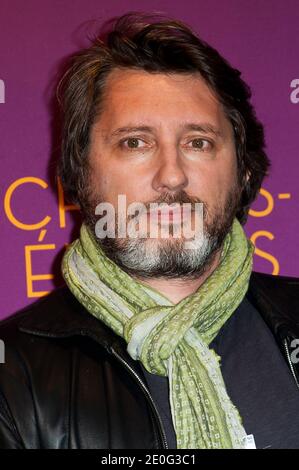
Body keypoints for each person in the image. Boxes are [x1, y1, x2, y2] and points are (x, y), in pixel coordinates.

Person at [1, 11, 299, 450]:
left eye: (198, 142)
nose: (172, 176)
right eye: (134, 142)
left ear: (244, 174)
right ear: (80, 174)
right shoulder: (12, 379)